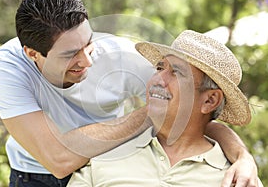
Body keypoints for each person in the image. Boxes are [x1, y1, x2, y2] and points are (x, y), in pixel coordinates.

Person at [0, 0, 258, 186]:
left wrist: (243, 157)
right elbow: (58, 160)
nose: (87, 61)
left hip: (103, 159)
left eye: (88, 43)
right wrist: (153, 111)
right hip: (36, 175)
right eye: (70, 55)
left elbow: (193, 111)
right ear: (32, 54)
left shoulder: (121, 58)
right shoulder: (7, 68)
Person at [67, 30, 263, 187]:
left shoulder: (239, 180)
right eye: (160, 68)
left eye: (176, 73)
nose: (158, 80)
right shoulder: (106, 157)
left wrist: (243, 158)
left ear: (210, 100)